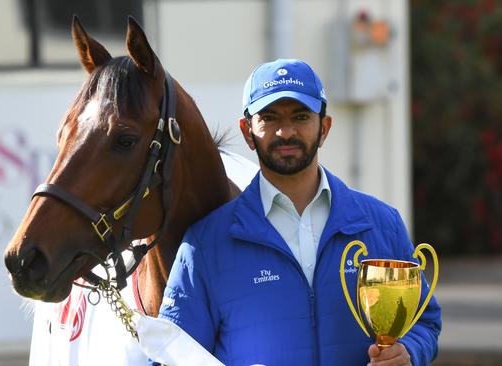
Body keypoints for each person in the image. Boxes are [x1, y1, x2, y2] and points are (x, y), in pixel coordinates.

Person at [157, 59, 441, 365]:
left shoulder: (382, 224)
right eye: (269, 117)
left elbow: (424, 320)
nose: (285, 131)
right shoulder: (204, 245)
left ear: (324, 128)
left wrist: (408, 351)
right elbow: (169, 356)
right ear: (247, 131)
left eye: (301, 116)